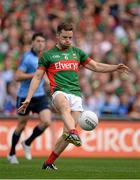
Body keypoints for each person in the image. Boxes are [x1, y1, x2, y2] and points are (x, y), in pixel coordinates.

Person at [18, 22, 130, 170]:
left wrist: (115, 68)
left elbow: (95, 66)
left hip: (76, 95)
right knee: (64, 108)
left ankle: (49, 162)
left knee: (66, 135)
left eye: (70, 37)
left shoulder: (77, 53)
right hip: (58, 92)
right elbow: (37, 77)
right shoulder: (48, 55)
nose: (68, 40)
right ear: (58, 36)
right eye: (65, 37)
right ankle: (74, 132)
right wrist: (28, 98)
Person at [7, 32, 52, 164]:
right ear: (32, 42)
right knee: (21, 125)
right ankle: (11, 153)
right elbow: (17, 76)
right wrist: (34, 75)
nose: (40, 43)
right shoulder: (27, 58)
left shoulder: (44, 58)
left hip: (39, 96)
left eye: (42, 41)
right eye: (38, 41)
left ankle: (27, 142)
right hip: (24, 96)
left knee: (47, 121)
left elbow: (44, 75)